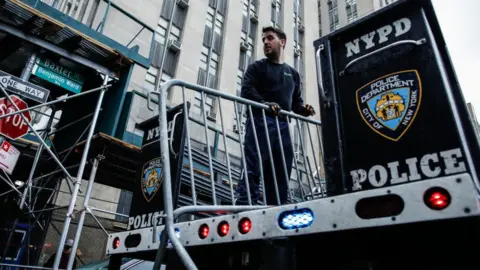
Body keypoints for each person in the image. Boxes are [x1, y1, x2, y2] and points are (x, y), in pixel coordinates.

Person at [235, 26, 316, 206]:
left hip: (283, 126)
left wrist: (304, 110)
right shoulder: (257, 67)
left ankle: (276, 207)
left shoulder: (293, 74)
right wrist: (265, 104)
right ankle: (245, 205)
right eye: (264, 39)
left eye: (270, 38)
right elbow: (246, 90)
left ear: (282, 42)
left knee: (280, 172)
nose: (265, 42)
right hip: (260, 122)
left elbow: (296, 104)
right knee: (253, 166)